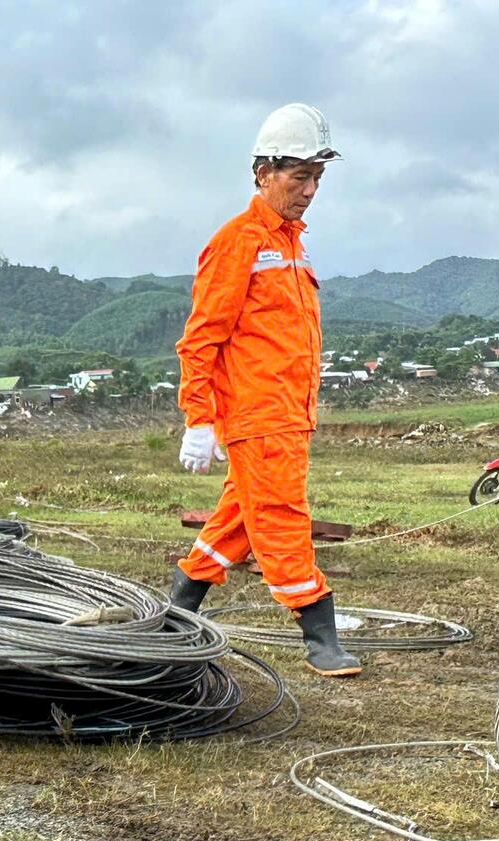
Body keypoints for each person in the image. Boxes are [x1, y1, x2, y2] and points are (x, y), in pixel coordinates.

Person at [166, 102, 360, 677]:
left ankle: (180, 607)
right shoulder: (238, 242)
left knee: (240, 518)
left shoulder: (292, 245)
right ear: (264, 173)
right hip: (258, 414)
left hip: (289, 412)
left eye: (317, 178)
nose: (310, 189)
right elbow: (201, 338)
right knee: (279, 516)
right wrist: (198, 416)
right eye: (299, 176)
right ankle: (318, 630)